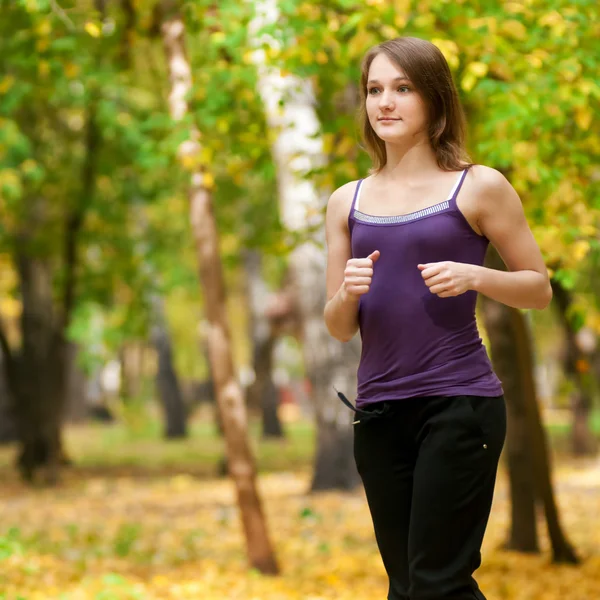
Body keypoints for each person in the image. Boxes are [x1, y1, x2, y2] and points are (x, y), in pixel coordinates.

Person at [323, 37, 552, 600]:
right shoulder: (345, 201)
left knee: (437, 582)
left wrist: (477, 277)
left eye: (403, 88)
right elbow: (337, 325)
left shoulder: (477, 186)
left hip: (459, 404)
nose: (385, 102)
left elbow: (539, 288)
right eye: (375, 90)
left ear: (435, 98)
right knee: (405, 586)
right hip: (377, 412)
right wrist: (348, 292)